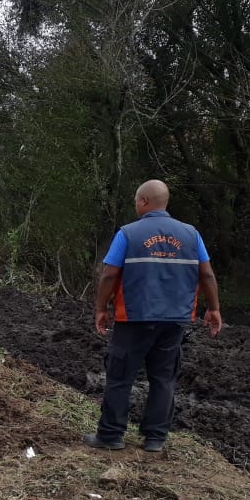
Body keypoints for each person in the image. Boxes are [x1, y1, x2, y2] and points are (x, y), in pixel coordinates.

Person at [85, 179, 222, 452]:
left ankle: (111, 435)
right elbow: (206, 273)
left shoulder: (128, 233)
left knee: (120, 377)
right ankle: (155, 438)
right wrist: (214, 308)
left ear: (144, 202)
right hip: (174, 321)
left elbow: (109, 274)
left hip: (133, 318)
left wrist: (101, 308)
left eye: (136, 201)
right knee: (163, 378)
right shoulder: (191, 235)